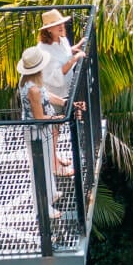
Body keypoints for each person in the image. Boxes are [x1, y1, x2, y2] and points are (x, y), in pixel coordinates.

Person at [16, 47, 80, 179]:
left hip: (47, 125)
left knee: (55, 132)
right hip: (38, 131)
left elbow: (45, 94)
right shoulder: (32, 89)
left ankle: (54, 158)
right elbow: (39, 118)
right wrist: (58, 118)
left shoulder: (31, 79)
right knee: (42, 169)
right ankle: (54, 166)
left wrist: (64, 102)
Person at [30, 9, 86, 104]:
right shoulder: (43, 49)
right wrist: (76, 57)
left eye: (61, 23)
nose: (61, 26)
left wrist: (78, 46)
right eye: (56, 24)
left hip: (68, 91)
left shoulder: (62, 40)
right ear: (48, 29)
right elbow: (59, 73)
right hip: (55, 98)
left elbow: (64, 54)